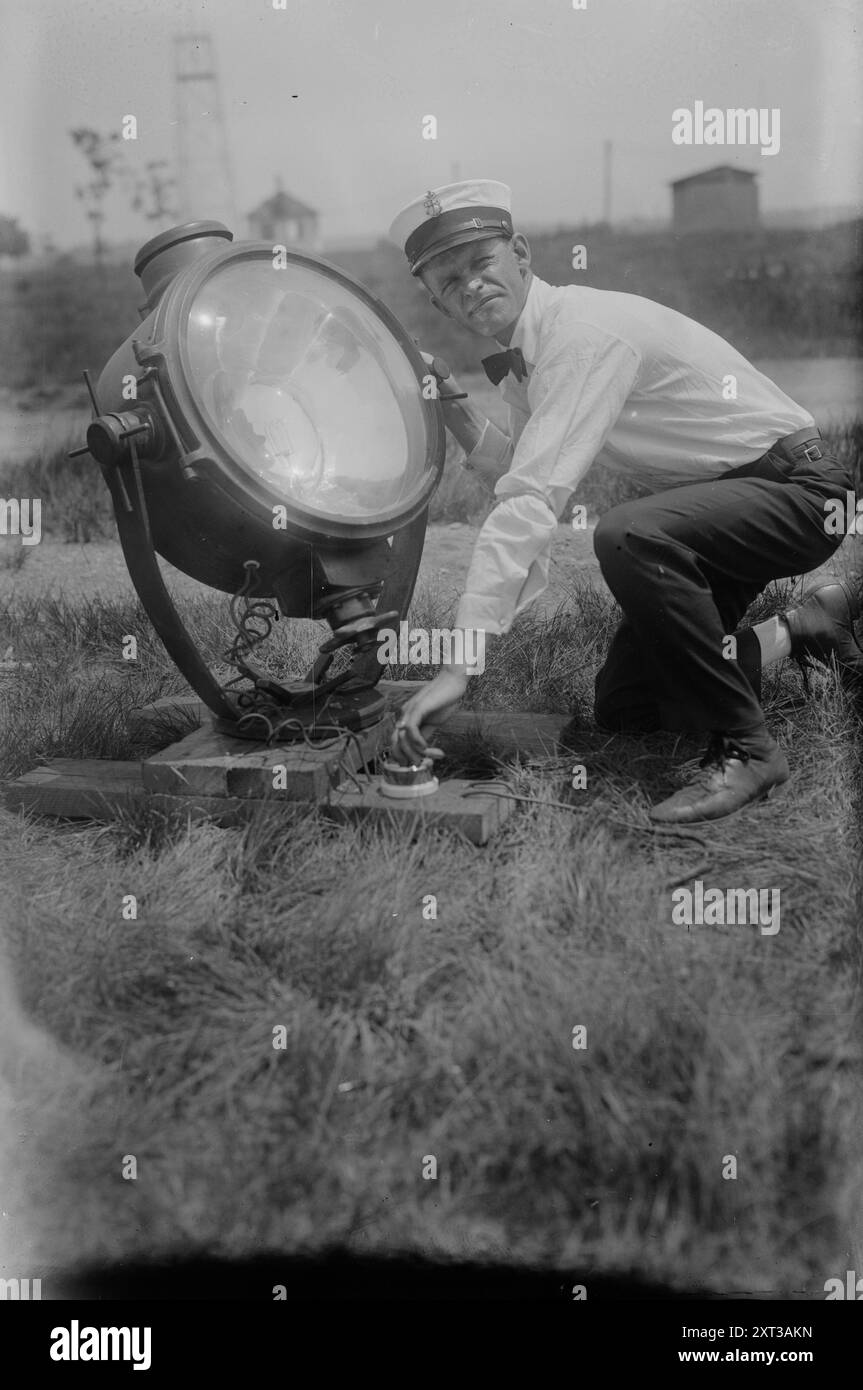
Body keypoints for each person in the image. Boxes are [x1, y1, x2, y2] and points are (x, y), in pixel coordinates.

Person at [386, 180, 862, 823]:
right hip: (716, 513)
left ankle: (748, 750)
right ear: (439, 303)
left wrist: (459, 665)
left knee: (628, 534)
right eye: (450, 281)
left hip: (796, 492)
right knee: (629, 709)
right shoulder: (531, 353)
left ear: (520, 254)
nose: (470, 286)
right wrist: (447, 401)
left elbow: (530, 497)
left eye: (481, 264)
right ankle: (804, 627)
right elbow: (522, 465)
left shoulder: (581, 334)